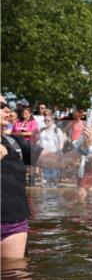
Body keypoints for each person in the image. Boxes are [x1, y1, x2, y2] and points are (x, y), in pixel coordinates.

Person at [1, 99, 30, 260]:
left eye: (7, 106)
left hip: (12, 225)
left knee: (13, 278)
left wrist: (83, 147)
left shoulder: (15, 142)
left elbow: (58, 161)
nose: (8, 110)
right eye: (1, 106)